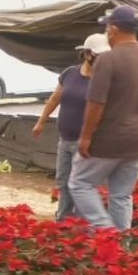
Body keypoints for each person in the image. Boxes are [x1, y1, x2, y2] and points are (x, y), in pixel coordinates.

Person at [69, 5, 138, 231]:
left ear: (113, 29)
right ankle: (122, 243)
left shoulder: (108, 60)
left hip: (108, 140)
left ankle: (107, 232)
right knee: (121, 195)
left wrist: (86, 137)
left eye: (107, 29)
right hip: (137, 141)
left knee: (80, 183)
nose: (107, 34)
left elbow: (96, 103)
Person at [33, 33, 112, 222]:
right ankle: (64, 220)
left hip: (87, 143)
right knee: (63, 181)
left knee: (82, 185)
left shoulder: (104, 80)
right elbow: (55, 99)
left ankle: (83, 222)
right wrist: (41, 121)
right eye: (99, 56)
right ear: (87, 54)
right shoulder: (70, 73)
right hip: (65, 139)